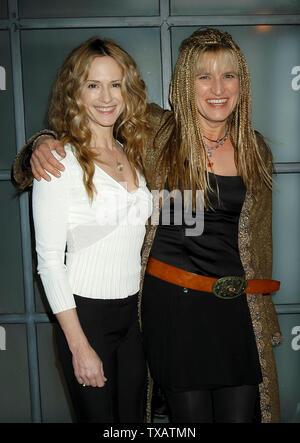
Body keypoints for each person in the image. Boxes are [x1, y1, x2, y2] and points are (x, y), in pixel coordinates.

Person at [13, 28, 281, 423]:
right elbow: (91, 125)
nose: (217, 88)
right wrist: (40, 143)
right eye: (204, 76)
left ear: (243, 82)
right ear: (184, 84)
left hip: (234, 311)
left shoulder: (256, 149)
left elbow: (259, 242)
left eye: (229, 75)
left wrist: (264, 312)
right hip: (174, 310)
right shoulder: (158, 134)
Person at [18, 37, 154, 423]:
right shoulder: (59, 162)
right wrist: (79, 347)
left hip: (133, 317)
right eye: (93, 85)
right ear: (75, 92)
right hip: (85, 318)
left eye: (115, 84)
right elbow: (48, 262)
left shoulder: (133, 152)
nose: (106, 96)